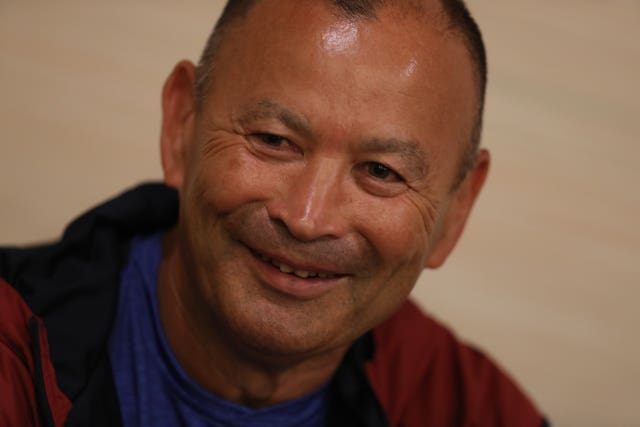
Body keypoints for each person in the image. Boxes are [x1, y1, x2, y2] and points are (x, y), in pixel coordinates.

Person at [0, 0, 549, 425]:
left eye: (381, 172)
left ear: (457, 210)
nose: (308, 217)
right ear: (182, 126)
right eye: (273, 139)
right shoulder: (17, 356)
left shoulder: (458, 406)